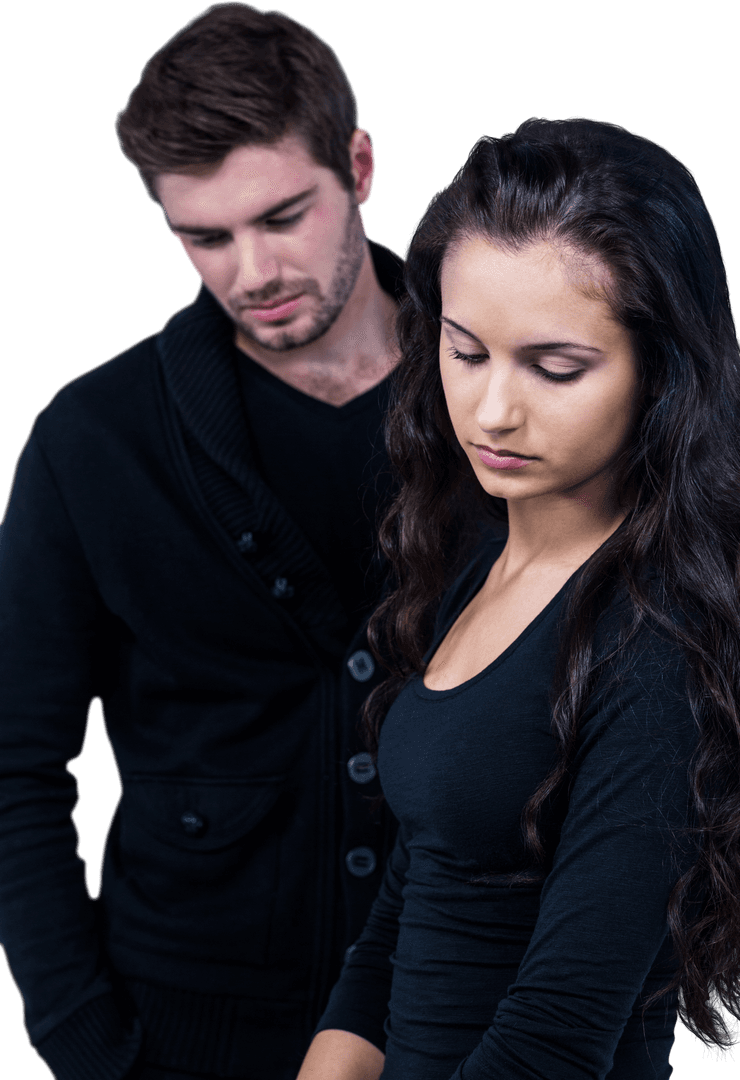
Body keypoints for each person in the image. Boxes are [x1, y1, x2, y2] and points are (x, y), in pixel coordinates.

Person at [0, 4, 402, 1079]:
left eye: (282, 217)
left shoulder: (506, 397)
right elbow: (16, 763)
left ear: (358, 166)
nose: (252, 270)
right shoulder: (91, 440)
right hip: (185, 1026)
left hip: (476, 1000)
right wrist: (87, 1043)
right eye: (205, 237)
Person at [296, 116, 740, 1080]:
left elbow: (556, 1035)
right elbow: (411, 901)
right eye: (466, 351)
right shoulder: (480, 553)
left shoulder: (659, 638)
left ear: (661, 375)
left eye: (554, 367)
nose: (493, 411)